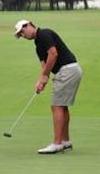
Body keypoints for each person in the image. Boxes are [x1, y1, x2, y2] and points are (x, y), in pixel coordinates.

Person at [14, 19, 83, 154]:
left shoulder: (44, 34)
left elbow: (53, 53)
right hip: (69, 70)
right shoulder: (38, 46)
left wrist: (45, 75)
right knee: (62, 106)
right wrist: (41, 81)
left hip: (67, 70)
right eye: (20, 35)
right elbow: (44, 66)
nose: (23, 35)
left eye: (22, 31)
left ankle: (57, 143)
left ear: (29, 25)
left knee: (56, 106)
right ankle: (65, 141)